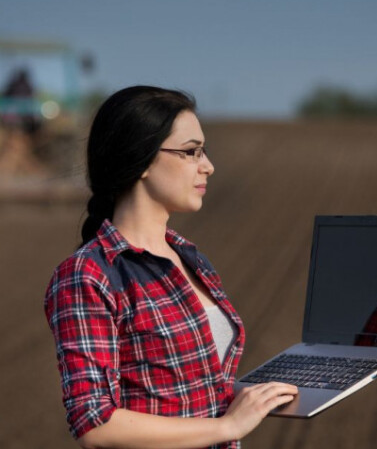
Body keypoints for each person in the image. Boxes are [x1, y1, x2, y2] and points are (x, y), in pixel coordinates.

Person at [44, 86, 298, 449]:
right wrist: (227, 426)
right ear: (143, 159)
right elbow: (95, 424)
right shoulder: (88, 275)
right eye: (191, 151)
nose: (207, 165)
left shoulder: (191, 257)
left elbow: (193, 388)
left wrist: (257, 397)